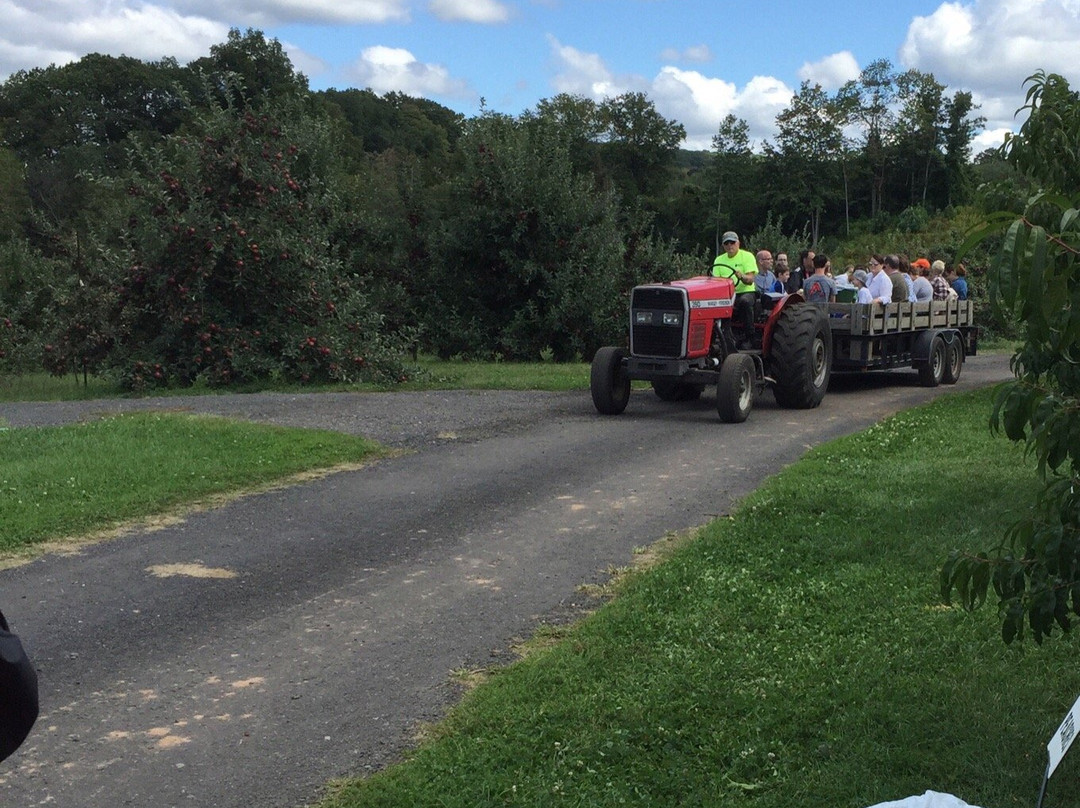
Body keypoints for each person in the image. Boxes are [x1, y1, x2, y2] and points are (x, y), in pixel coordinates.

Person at [711, 231, 757, 346]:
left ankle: (750, 337)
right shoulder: (719, 260)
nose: (730, 245)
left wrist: (742, 276)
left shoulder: (747, 256)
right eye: (727, 243)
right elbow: (716, 281)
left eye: (732, 242)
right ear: (723, 246)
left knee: (745, 302)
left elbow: (750, 279)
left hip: (745, 291)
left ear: (738, 243)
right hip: (726, 294)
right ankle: (715, 338)